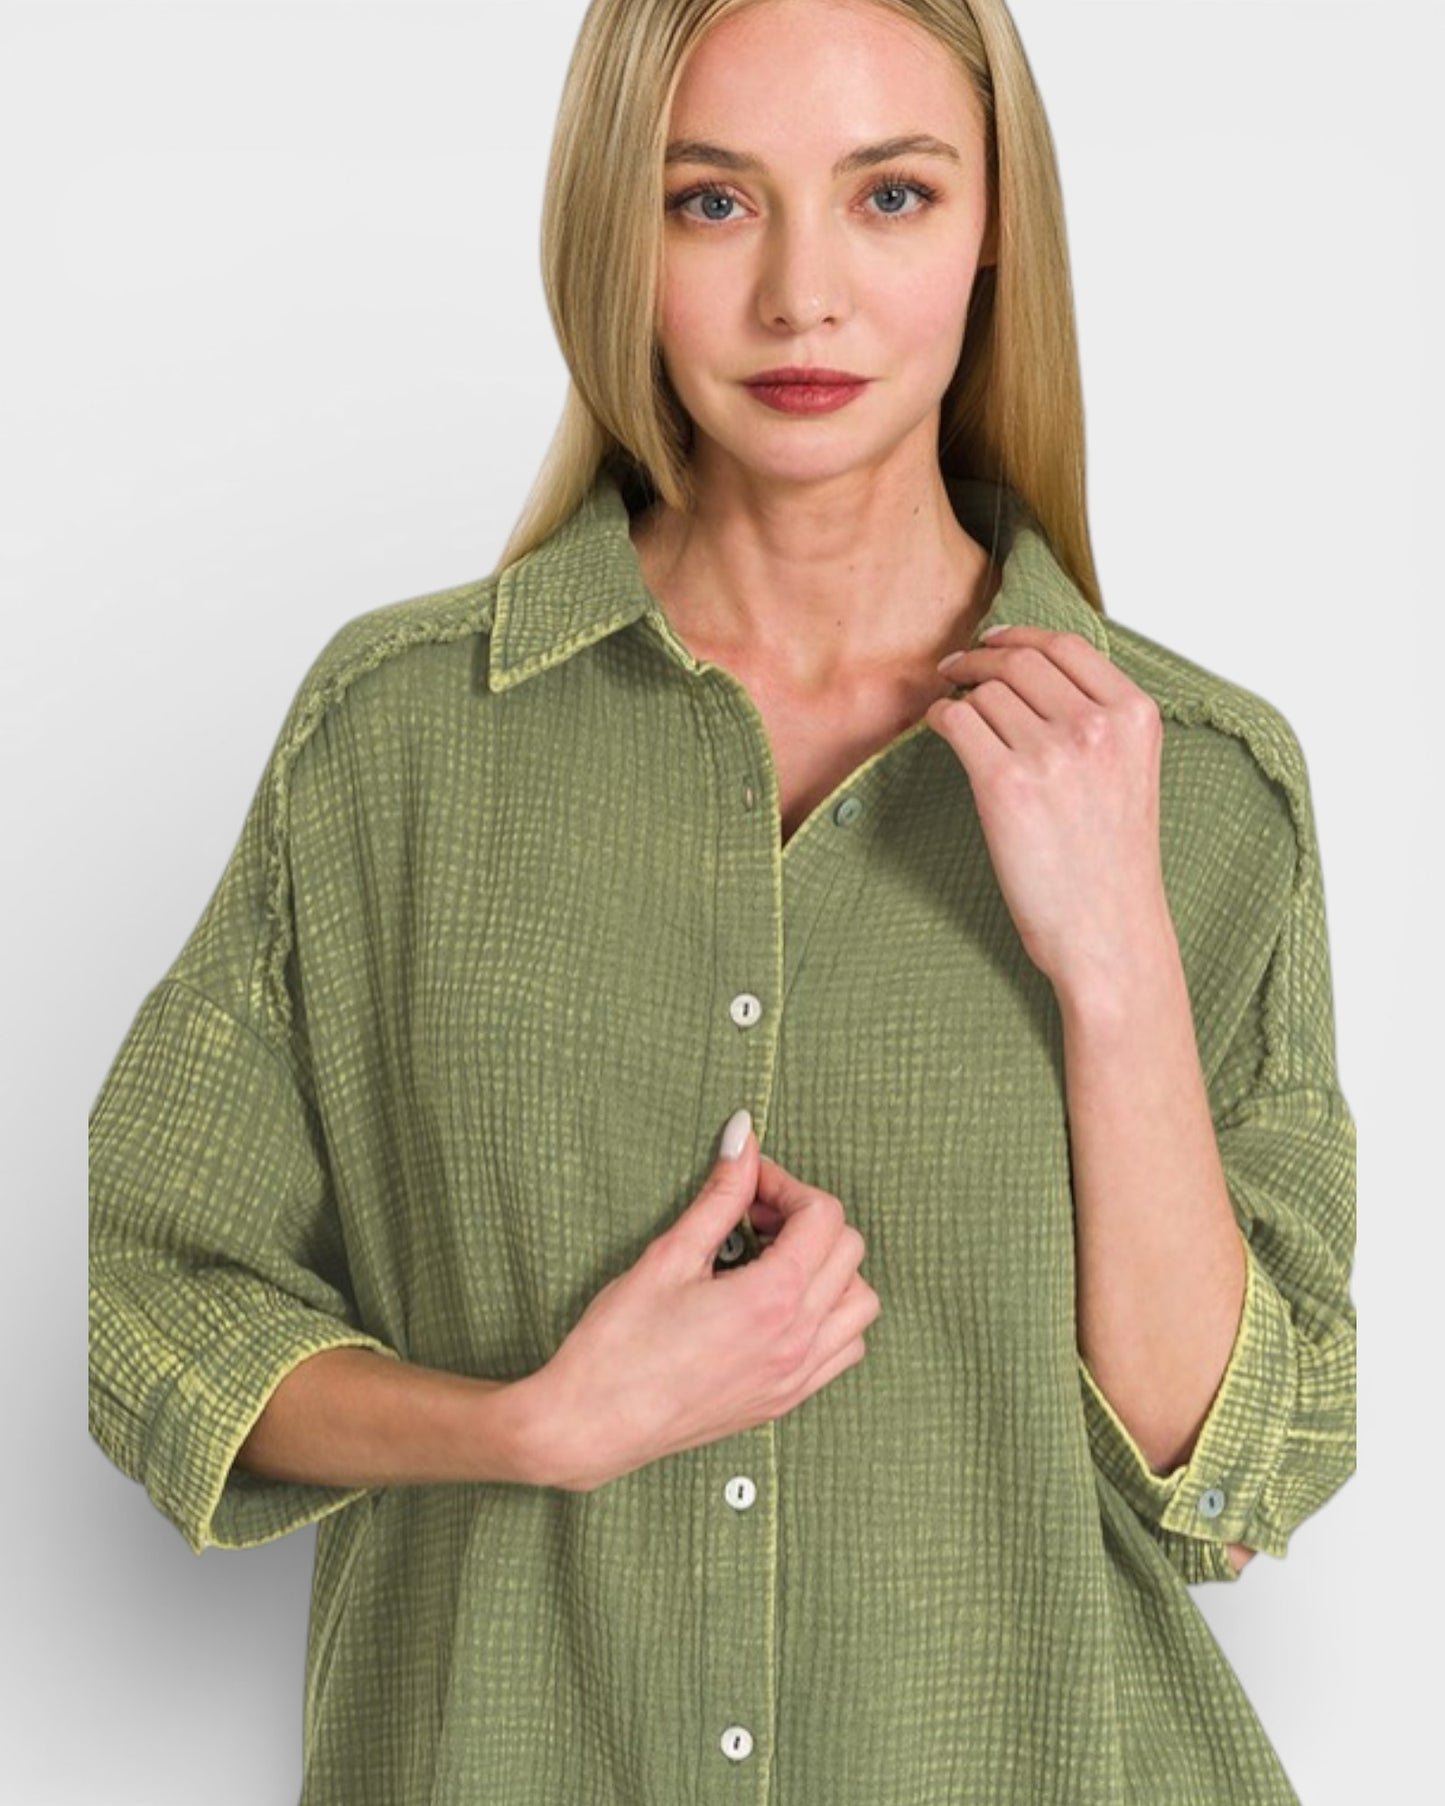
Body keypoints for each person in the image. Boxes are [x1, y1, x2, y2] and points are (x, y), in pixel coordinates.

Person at [87, 0, 1356, 1800]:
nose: (801, 299)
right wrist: (533, 1424)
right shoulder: (400, 742)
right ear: (616, 229)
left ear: (997, 228)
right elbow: (139, 1292)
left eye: (891, 197)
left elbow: (1237, 1479)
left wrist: (1116, 964)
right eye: (711, 202)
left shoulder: (1202, 784)